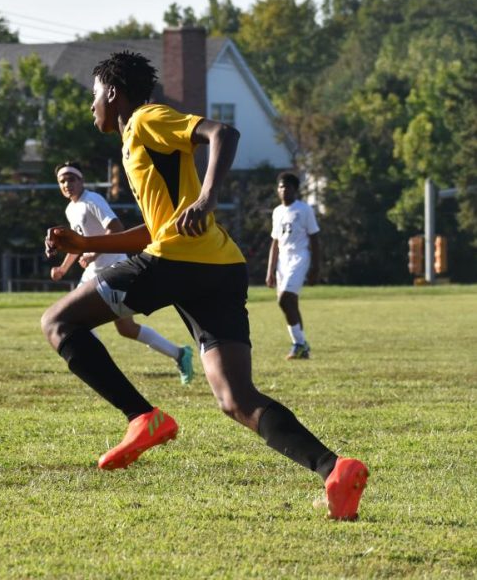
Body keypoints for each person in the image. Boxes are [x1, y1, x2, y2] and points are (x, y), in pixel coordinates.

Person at [42, 51, 367, 520]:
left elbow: (222, 133)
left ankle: (143, 417)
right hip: (219, 266)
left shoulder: (146, 119)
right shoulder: (134, 142)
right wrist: (83, 241)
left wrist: (208, 197)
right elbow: (157, 227)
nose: (91, 106)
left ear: (113, 93)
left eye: (94, 96)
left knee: (58, 322)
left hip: (177, 261)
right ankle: (335, 469)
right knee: (235, 398)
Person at [51, 161, 194, 384]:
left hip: (113, 271)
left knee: (82, 321)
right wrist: (63, 268)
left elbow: (115, 228)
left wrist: (93, 254)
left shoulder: (93, 200)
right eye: (62, 181)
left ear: (82, 180)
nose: (67, 184)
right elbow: (80, 244)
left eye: (71, 178)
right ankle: (179, 354)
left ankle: (99, 371)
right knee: (121, 328)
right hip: (92, 273)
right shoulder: (71, 208)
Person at [266, 172, 320, 360]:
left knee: (284, 299)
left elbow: (314, 238)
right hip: (283, 260)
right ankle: (302, 347)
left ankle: (299, 343)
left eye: (287, 186)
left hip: (299, 257)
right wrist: (270, 270)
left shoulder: (304, 210)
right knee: (291, 303)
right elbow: (275, 242)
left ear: (295, 189)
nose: (283, 190)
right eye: (281, 186)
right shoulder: (277, 212)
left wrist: (315, 267)